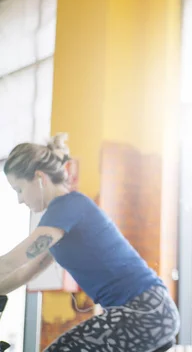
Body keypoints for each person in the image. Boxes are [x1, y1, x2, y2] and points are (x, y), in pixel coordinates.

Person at [0, 134, 180, 351]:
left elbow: (11, 262)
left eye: (19, 189)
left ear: (39, 178)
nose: (20, 199)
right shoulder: (60, 222)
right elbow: (25, 272)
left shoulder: (67, 207)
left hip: (146, 311)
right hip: (148, 312)